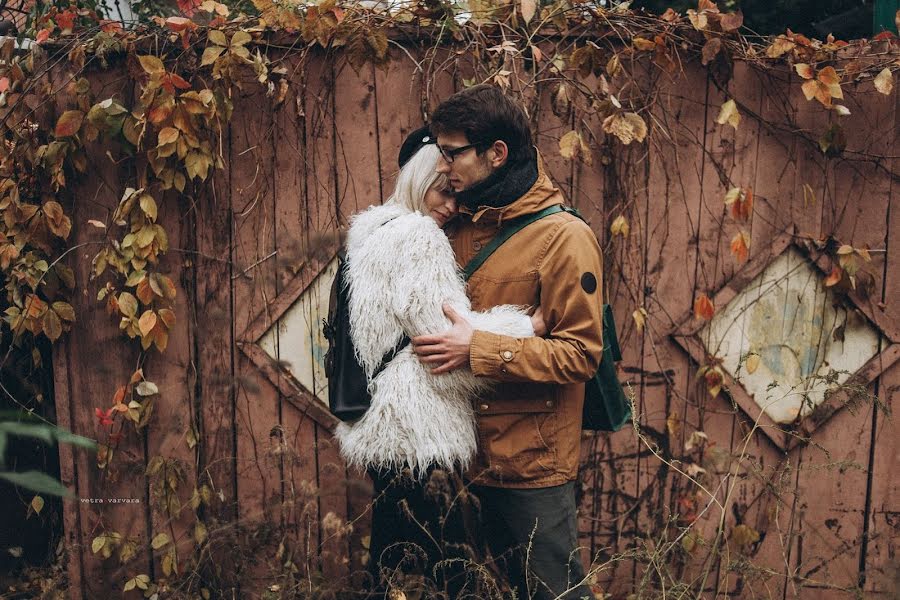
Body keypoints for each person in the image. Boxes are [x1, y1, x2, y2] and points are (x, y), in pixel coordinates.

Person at [411, 84, 604, 600]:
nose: (442, 164)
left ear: (496, 153)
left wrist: (478, 348)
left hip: (532, 466)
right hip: (471, 460)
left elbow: (581, 353)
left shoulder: (564, 238)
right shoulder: (462, 226)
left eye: (452, 153)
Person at [333, 127, 546, 596]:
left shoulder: (374, 231)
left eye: (457, 197)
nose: (451, 207)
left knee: (394, 562)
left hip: (384, 425)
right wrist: (527, 325)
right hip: (416, 431)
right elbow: (448, 336)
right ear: (417, 178)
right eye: (442, 191)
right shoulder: (418, 237)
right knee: (443, 567)